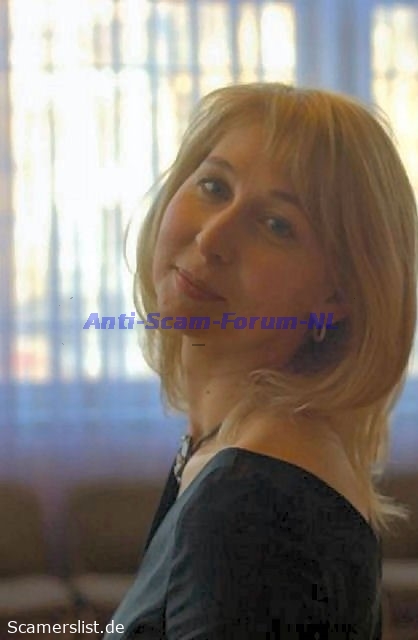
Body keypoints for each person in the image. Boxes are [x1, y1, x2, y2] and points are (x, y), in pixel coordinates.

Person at [104, 82, 418, 639]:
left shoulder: (253, 503)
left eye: (276, 224)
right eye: (213, 186)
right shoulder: (229, 453)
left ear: (337, 297)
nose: (213, 237)